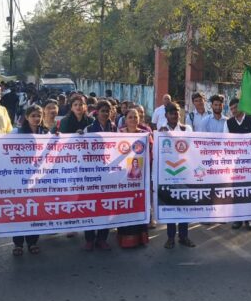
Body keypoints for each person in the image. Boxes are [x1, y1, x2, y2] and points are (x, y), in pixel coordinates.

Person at [10, 105, 48, 256]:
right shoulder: (16, 133)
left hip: (38, 179)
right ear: (26, 117)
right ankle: (18, 243)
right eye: (33, 115)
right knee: (19, 210)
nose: (36, 119)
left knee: (34, 210)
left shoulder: (46, 133)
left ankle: (33, 242)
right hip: (19, 178)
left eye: (39, 116)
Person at [158, 102, 195, 248]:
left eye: (177, 112)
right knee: (171, 207)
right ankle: (170, 237)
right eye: (172, 113)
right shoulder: (161, 130)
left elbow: (193, 148)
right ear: (166, 115)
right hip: (167, 173)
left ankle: (184, 236)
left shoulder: (187, 129)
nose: (175, 115)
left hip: (184, 172)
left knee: (184, 206)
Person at [224, 98, 251, 230]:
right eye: (232, 109)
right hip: (234, 163)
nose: (234, 111)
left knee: (248, 190)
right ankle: (237, 218)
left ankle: (248, 218)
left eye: (236, 107)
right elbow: (226, 141)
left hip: (250, 161)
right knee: (236, 190)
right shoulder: (228, 123)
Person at [117, 108, 151, 248]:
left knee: (139, 204)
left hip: (140, 176)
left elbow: (151, 152)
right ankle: (125, 238)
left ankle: (140, 237)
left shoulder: (145, 134)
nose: (133, 120)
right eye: (130, 117)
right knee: (125, 205)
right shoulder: (118, 134)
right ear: (125, 119)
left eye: (135, 117)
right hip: (122, 176)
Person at [83, 99, 115, 250]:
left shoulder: (115, 129)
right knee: (90, 206)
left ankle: (102, 238)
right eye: (103, 111)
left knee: (105, 207)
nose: (105, 114)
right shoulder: (88, 129)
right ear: (97, 112)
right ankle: (89, 238)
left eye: (108, 111)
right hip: (92, 173)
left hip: (108, 172)